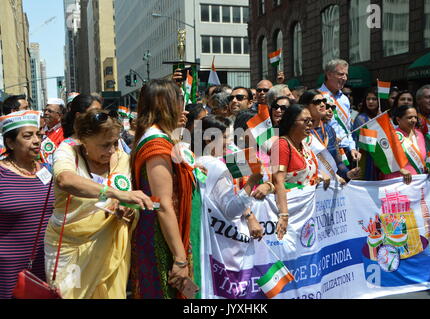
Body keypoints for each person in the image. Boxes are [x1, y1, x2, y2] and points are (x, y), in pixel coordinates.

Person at [44, 109, 152, 299]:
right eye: (104, 145)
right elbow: (65, 180)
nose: (111, 150)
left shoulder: (122, 159)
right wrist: (115, 194)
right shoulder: (67, 151)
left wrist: (125, 209)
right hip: (70, 248)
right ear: (83, 140)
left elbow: (127, 199)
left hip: (110, 246)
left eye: (114, 143)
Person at [130, 79, 197, 299]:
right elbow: (163, 203)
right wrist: (179, 258)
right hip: (161, 238)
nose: (183, 105)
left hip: (169, 232)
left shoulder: (163, 137)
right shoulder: (155, 143)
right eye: (179, 99)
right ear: (165, 104)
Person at [0, 111, 53, 299]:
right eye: (27, 136)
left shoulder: (48, 171)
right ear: (11, 143)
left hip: (45, 265)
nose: (37, 141)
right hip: (8, 270)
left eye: (38, 134)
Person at [194, 115, 265, 240]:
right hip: (222, 242)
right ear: (209, 140)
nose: (229, 143)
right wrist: (252, 181)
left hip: (204, 235)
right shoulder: (217, 166)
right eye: (225, 137)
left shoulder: (195, 162)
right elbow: (231, 210)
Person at [271, 104, 323, 240]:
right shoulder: (281, 144)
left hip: (307, 213)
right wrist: (284, 215)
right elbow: (278, 180)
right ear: (292, 122)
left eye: (311, 121)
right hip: (290, 211)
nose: (310, 124)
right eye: (306, 121)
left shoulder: (305, 145)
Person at [300, 90, 360, 182]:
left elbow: (338, 163)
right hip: (310, 185)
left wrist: (347, 174)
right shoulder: (301, 132)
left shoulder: (329, 130)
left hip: (330, 186)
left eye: (323, 101)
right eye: (317, 102)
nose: (323, 104)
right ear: (306, 107)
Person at [319, 59, 361, 163]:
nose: (345, 78)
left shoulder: (344, 99)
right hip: (327, 150)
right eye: (341, 74)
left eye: (346, 75)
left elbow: (348, 128)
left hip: (347, 150)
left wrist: (352, 147)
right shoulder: (318, 96)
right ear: (329, 75)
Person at [381, 105, 426, 184]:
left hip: (417, 183)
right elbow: (381, 161)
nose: (414, 120)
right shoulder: (391, 135)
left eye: (415, 117)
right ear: (398, 120)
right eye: (409, 117)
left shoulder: (420, 135)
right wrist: (400, 170)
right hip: (397, 182)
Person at [352, 88, 381, 181]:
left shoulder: (384, 116)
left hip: (381, 156)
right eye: (368, 99)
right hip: (366, 157)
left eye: (374, 99)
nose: (371, 101)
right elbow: (361, 141)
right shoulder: (361, 118)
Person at [41, 98, 66, 163]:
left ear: (60, 116)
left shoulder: (64, 133)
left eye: (50, 111)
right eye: (45, 110)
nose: (46, 113)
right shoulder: (39, 130)